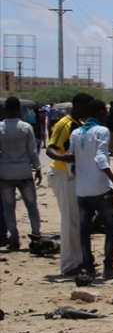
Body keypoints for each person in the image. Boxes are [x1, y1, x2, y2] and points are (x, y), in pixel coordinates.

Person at [71, 100, 113, 279]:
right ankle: (108, 268)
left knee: (85, 231)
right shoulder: (102, 131)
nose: (107, 116)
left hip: (82, 190)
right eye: (106, 112)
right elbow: (101, 158)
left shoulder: (76, 133)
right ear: (100, 112)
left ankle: (89, 268)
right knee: (110, 229)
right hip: (101, 188)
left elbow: (73, 161)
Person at [46, 93, 92, 275]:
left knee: (77, 220)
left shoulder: (79, 125)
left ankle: (78, 258)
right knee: (69, 221)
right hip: (62, 174)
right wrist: (64, 157)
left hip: (73, 176)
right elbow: (50, 148)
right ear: (80, 106)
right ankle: (68, 264)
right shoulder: (64, 124)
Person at [0, 96, 42, 251]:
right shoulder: (25, 127)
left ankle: (14, 239)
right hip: (24, 172)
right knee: (31, 206)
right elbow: (32, 151)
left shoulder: (0, 128)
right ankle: (36, 235)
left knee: (9, 208)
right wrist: (38, 168)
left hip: (5, 173)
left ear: (5, 110)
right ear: (19, 109)